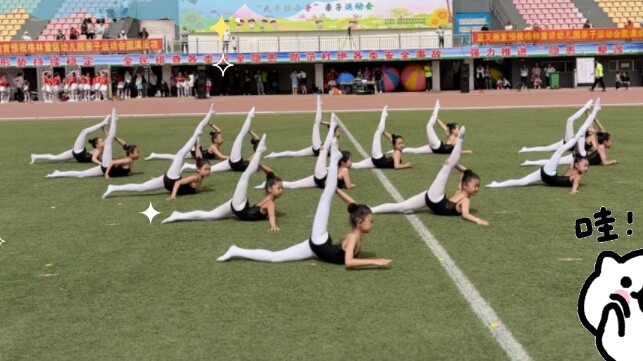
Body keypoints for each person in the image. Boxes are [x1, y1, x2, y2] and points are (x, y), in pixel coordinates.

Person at [217, 140, 391, 269]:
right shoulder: (354, 237)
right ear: (360, 222)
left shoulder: (356, 234)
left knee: (276, 257)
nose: (372, 223)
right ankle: (333, 158)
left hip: (315, 248)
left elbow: (353, 205)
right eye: (371, 220)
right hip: (319, 241)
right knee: (326, 198)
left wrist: (338, 192)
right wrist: (375, 261)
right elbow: (349, 263)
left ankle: (236, 250)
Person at [161, 135, 284, 232]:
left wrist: (265, 170)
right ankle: (259, 151)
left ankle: (178, 215)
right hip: (240, 206)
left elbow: (271, 175)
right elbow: (272, 215)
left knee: (210, 216)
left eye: (281, 188)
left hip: (238, 207)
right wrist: (273, 226)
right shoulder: (270, 203)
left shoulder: (267, 200)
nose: (281, 190)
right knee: (244, 177)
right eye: (279, 188)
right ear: (269, 189)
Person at [371, 127, 488, 225]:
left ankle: (371, 209)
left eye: (478, 186)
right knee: (447, 168)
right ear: (465, 185)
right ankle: (460, 140)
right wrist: (478, 220)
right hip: (436, 198)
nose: (477, 188)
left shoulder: (461, 192)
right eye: (475, 185)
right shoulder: (465, 199)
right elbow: (466, 215)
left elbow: (466, 172)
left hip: (431, 199)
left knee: (402, 207)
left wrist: (455, 164)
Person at [486, 104, 600, 194]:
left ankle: (496, 184)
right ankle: (497, 184)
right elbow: (575, 184)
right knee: (560, 150)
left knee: (522, 182)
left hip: (545, 176)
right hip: (548, 174)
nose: (587, 168)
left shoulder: (574, 169)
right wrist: (574, 190)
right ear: (576, 165)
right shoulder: (576, 175)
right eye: (585, 165)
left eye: (587, 166)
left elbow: (575, 171)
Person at [102, 108, 213, 199]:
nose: (208, 171)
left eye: (209, 169)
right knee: (180, 155)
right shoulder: (196, 177)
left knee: (141, 188)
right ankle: (195, 135)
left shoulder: (199, 173)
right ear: (198, 169)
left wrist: (207, 118)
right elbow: (178, 183)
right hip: (172, 180)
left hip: (167, 181)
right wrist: (173, 196)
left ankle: (113, 188)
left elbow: (198, 156)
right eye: (206, 169)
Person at [255, 115, 354, 190]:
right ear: (343, 162)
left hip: (319, 179)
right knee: (323, 152)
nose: (351, 162)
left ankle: (267, 184)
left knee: (294, 184)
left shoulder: (338, 168)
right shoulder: (344, 170)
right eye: (350, 160)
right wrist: (352, 185)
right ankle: (331, 124)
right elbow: (348, 186)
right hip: (321, 176)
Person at [45, 110, 140, 179]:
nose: (138, 153)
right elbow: (112, 162)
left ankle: (58, 173)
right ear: (131, 154)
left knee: (81, 174)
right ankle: (114, 120)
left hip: (103, 167)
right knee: (108, 142)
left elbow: (123, 147)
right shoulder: (127, 159)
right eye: (137, 152)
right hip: (106, 166)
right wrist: (107, 174)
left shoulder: (129, 159)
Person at [181, 107, 272, 175]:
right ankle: (187, 166)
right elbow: (256, 141)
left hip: (234, 162)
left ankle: (249, 117)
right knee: (211, 168)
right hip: (233, 163)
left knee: (239, 137)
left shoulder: (256, 160)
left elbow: (256, 145)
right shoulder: (256, 160)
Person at [30, 115, 120, 164]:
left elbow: (109, 139)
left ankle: (35, 156)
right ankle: (102, 122)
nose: (104, 141)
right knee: (84, 132)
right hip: (78, 153)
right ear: (97, 145)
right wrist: (102, 164)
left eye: (102, 141)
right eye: (102, 141)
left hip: (77, 154)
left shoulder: (100, 149)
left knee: (56, 158)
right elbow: (94, 159)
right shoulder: (98, 149)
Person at [265, 95, 332, 158]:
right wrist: (322, 122)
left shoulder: (335, 143)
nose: (339, 133)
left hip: (318, 147)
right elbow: (331, 125)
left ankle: (319, 104)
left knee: (316, 124)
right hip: (317, 149)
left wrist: (325, 148)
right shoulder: (333, 138)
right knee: (296, 154)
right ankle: (274, 155)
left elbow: (329, 150)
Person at [519, 100, 594, 153]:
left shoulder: (591, 138)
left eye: (591, 130)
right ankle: (526, 149)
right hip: (565, 142)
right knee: (546, 149)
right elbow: (589, 123)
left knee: (570, 120)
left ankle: (585, 107)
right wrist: (588, 114)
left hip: (570, 143)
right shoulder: (587, 135)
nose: (590, 129)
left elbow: (594, 146)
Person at [400, 100, 473, 155]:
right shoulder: (449, 135)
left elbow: (458, 151)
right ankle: (437, 109)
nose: (459, 130)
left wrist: (467, 151)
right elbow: (443, 126)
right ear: (453, 130)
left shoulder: (457, 139)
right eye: (458, 128)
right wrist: (436, 118)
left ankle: (398, 150)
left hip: (435, 149)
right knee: (428, 126)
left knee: (416, 151)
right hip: (437, 146)